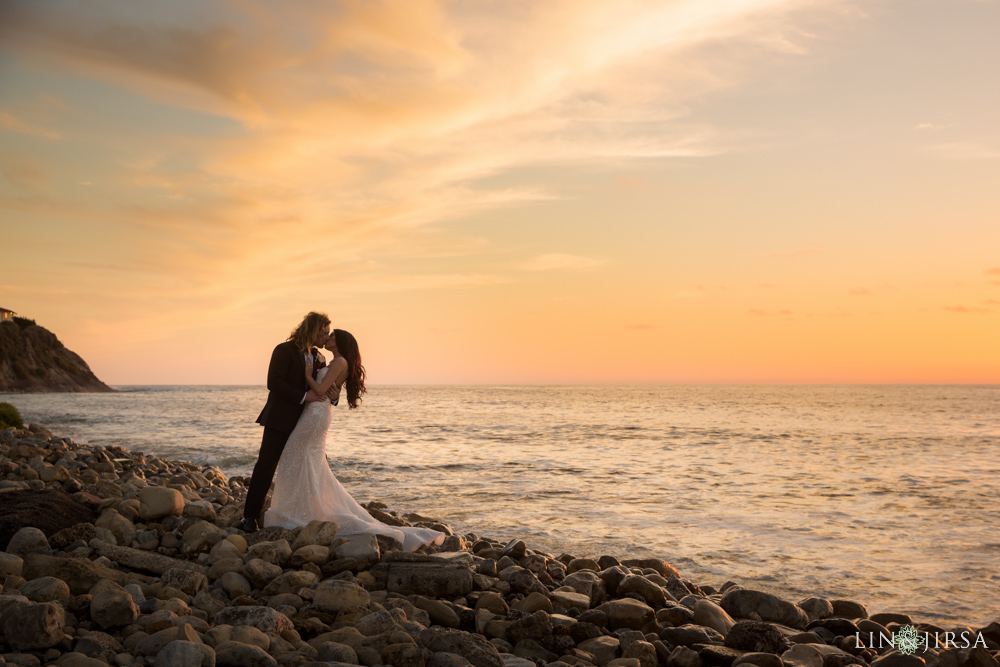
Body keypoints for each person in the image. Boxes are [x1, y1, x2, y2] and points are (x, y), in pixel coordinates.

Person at [263, 329, 445, 551]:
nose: (327, 338)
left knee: (295, 455)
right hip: (315, 413)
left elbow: (320, 389)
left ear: (339, 342)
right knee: (305, 460)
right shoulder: (334, 362)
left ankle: (296, 510)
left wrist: (309, 375)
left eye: (331, 336)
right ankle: (301, 507)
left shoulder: (339, 362)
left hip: (315, 414)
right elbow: (331, 390)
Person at [238, 312, 337, 534]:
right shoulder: (283, 350)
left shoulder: (319, 357)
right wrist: (304, 396)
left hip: (306, 422)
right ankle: (250, 517)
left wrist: (334, 394)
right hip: (280, 418)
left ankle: (301, 514)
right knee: (266, 465)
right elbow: (273, 382)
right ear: (313, 330)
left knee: (307, 467)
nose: (326, 338)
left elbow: (323, 387)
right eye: (325, 333)